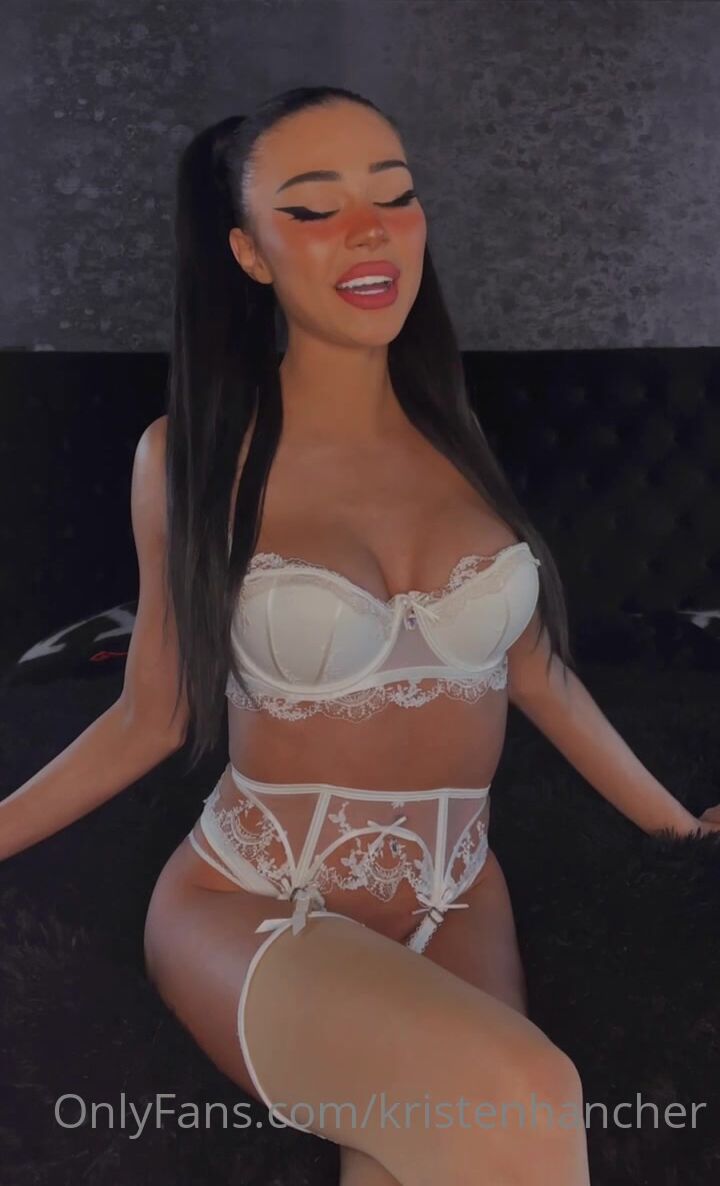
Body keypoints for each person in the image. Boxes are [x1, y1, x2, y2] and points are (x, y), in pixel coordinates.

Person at [4, 85, 720, 1186]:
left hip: (456, 893)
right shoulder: (189, 457)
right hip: (254, 897)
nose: (370, 231)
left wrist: (683, 829)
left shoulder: (457, 434)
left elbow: (535, 672)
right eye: (313, 208)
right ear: (249, 252)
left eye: (394, 196)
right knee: (531, 1096)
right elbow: (154, 715)